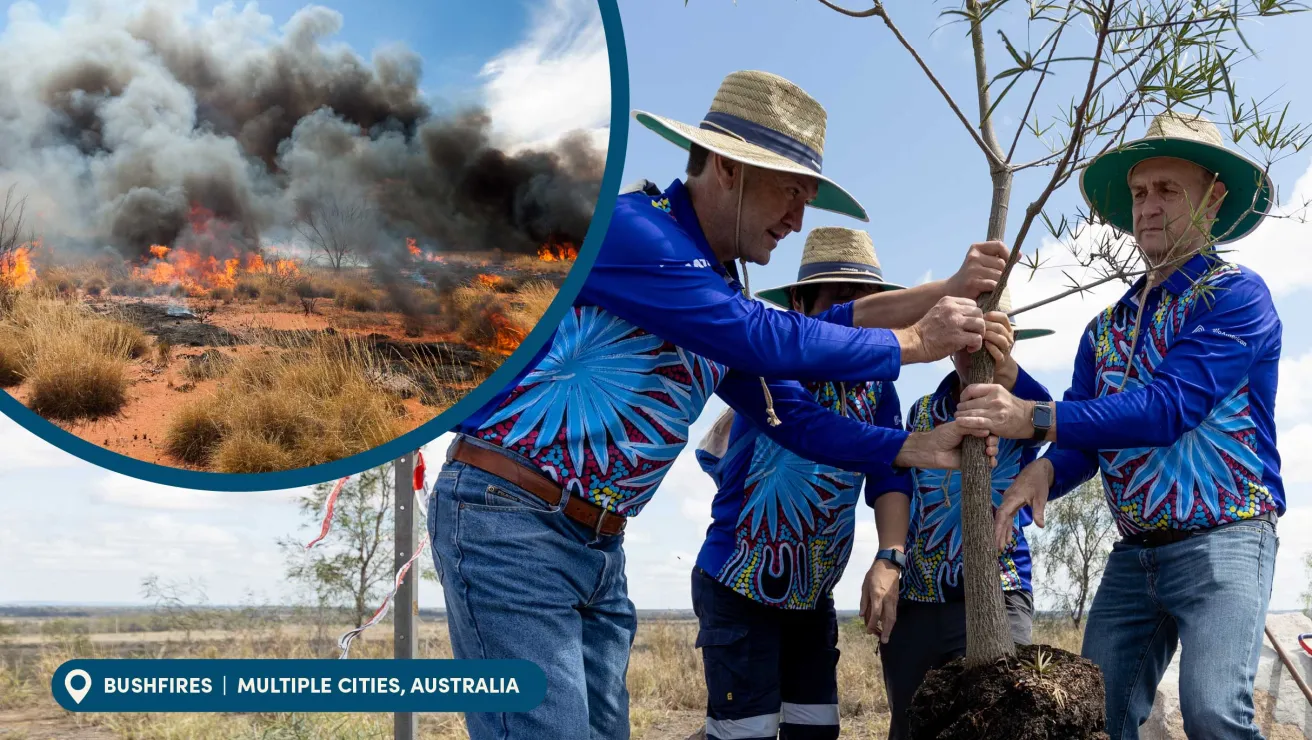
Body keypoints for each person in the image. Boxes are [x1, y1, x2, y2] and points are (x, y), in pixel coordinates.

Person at [428, 69, 1003, 740]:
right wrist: (913, 340)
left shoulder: (717, 294)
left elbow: (793, 414)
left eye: (808, 198)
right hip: (511, 521)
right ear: (728, 168)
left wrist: (912, 446)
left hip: (595, 546)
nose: (798, 219)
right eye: (790, 193)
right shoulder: (636, 232)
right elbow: (762, 332)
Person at [955, 111, 1284, 740]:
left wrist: (1034, 418)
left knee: (1214, 711)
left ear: (1213, 197)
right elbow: (1090, 435)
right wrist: (1046, 469)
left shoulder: (1236, 296)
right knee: (1096, 713)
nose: (1149, 206)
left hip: (1227, 538)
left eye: (1167, 189)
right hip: (1135, 555)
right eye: (1140, 192)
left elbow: (1168, 409)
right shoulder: (1104, 329)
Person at [859, 287, 1053, 740]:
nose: (973, 348)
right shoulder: (923, 411)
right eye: (965, 335)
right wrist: (891, 559)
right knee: (911, 724)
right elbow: (899, 486)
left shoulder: (1021, 406)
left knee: (997, 722)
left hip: (996, 595)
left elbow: (1046, 415)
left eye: (987, 334)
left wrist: (1008, 371)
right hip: (920, 599)